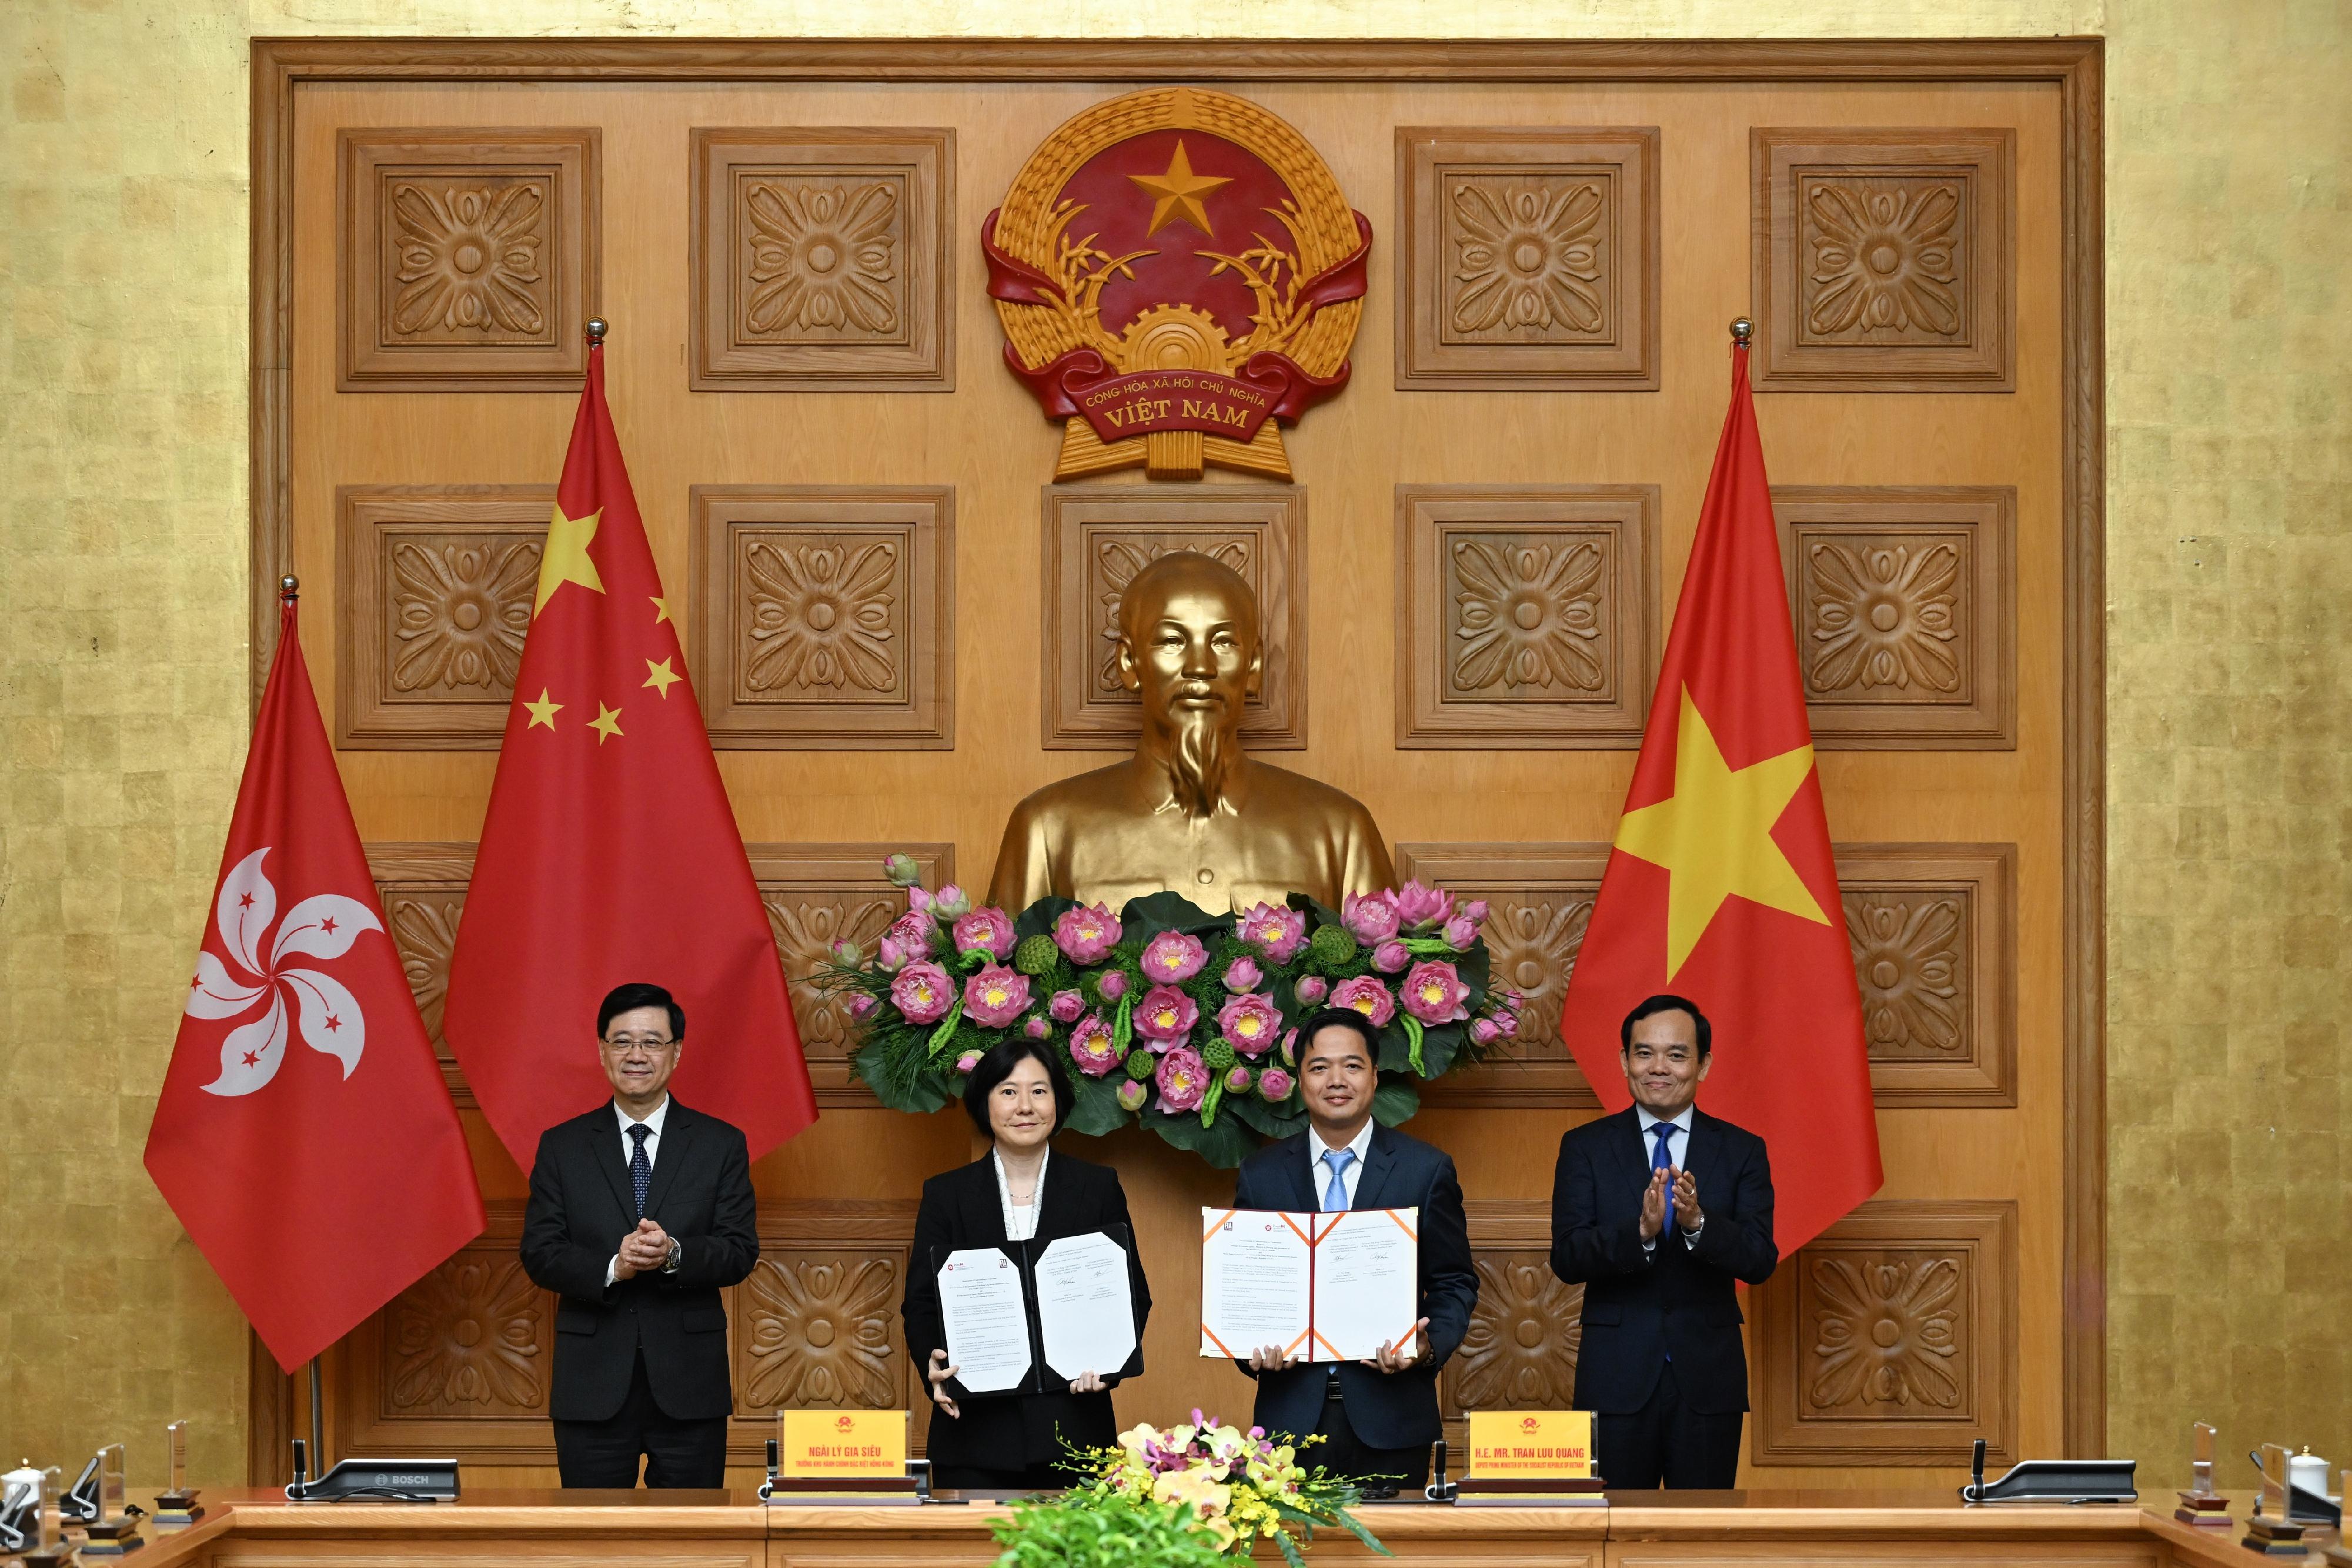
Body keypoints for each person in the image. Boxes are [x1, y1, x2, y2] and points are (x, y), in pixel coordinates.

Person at [988, 551, 1393, 913]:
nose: (1200, 666)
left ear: (1252, 668)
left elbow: (1381, 990)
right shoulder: (1047, 830)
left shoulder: (1341, 833)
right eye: (1172, 641)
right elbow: (1004, 987)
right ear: (1129, 662)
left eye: (1222, 642)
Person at [519, 982, 759, 1488]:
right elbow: (540, 1253)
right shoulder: (562, 1146)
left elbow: (739, 1251)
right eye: (622, 1040)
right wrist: (614, 1266)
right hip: (591, 1385)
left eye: (652, 1041)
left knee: (691, 1547)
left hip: (691, 1386)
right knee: (595, 1549)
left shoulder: (721, 1144)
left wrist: (674, 1253)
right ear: (602, 1050)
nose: (637, 1054)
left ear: (676, 1051)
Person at [1230, 1008, 1477, 1492]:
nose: (1336, 1080)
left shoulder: (1424, 1170)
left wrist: (1426, 1350)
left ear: (1375, 1075)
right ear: (1300, 1079)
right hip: (1290, 1422)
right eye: (1320, 1067)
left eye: (1352, 1065)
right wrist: (1251, 1348)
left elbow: (1455, 1282)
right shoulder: (1261, 1174)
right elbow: (1244, 1286)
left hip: (1393, 1419)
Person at [901, 1039, 1152, 1490]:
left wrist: (1108, 1363)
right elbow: (920, 1303)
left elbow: (1132, 1293)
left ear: (1059, 1101)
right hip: (974, 1434)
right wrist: (932, 1367)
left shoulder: (1097, 1187)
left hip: (1075, 1429)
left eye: (1039, 1091)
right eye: (1008, 1091)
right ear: (985, 1102)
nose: (1025, 1106)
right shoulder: (946, 1194)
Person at [1549, 994, 1778, 1490]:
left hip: (1708, 1379)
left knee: (1701, 1539)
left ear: (1704, 1064)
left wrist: (1698, 1223)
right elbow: (1567, 1256)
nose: (1659, 1067)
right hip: (1614, 1378)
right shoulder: (1585, 1146)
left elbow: (1760, 1259)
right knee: (1613, 1534)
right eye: (1644, 1053)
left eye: (1676, 1054)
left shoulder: (1742, 1149)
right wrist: (1640, 1233)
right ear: (1624, 1061)